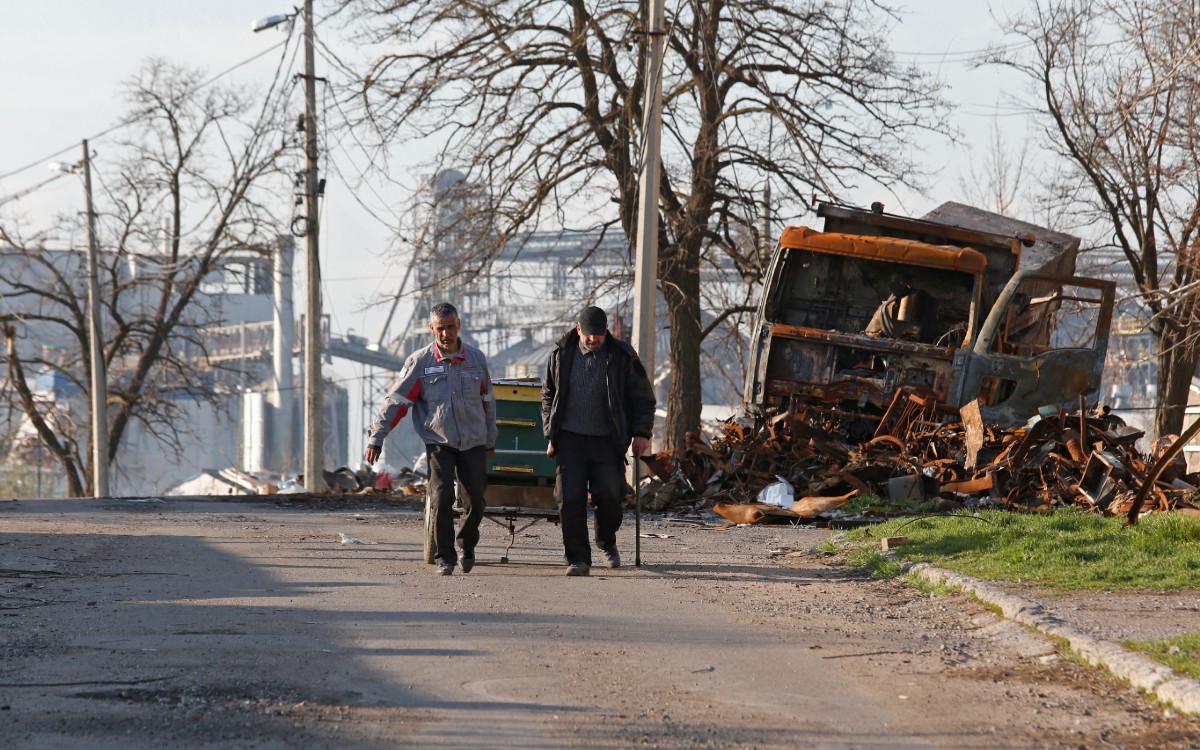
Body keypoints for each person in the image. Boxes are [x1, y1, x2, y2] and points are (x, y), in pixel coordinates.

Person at [365, 302, 497, 576]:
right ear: (431, 329)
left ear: (458, 325)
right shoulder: (421, 363)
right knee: (441, 497)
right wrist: (377, 437)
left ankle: (467, 545)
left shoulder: (476, 359)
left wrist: (490, 438)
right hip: (439, 441)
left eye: (450, 327)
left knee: (475, 500)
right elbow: (397, 402)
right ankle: (445, 557)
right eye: (440, 329)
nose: (446, 334)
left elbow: (488, 401)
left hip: (473, 440)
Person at [541, 306, 656, 576]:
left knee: (610, 496)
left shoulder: (623, 356)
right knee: (569, 499)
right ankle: (578, 558)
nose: (593, 340)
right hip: (569, 439)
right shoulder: (561, 354)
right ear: (578, 330)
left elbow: (643, 399)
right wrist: (551, 433)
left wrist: (642, 434)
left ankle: (606, 542)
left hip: (608, 440)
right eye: (589, 335)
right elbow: (548, 396)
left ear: (607, 331)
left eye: (599, 335)